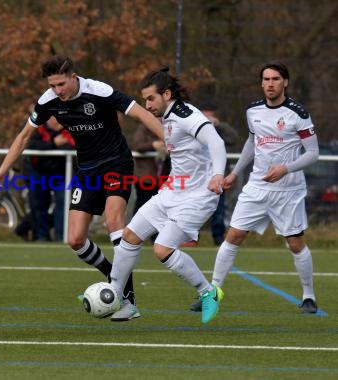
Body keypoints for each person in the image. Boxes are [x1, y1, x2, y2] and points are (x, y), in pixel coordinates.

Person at [0, 55, 164, 321]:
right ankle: (115, 280)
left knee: (114, 220)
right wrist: (1, 170)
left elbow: (141, 113)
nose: (58, 91)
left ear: (74, 77)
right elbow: (23, 137)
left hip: (117, 163)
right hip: (87, 169)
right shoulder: (48, 101)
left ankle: (125, 299)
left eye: (61, 84)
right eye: (53, 85)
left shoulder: (99, 91)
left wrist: (170, 142)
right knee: (75, 239)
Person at [108, 67, 227, 324]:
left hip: (198, 197)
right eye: (144, 100)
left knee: (162, 248)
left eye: (151, 98)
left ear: (167, 94)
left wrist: (218, 174)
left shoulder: (186, 115)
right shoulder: (167, 116)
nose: (147, 105)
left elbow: (216, 142)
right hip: (172, 191)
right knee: (129, 236)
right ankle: (116, 297)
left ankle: (208, 292)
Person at [209, 62, 320, 314]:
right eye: (266, 79)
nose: (270, 83)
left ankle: (309, 296)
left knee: (294, 242)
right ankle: (212, 293)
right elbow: (251, 141)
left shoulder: (297, 113)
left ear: (285, 82)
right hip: (256, 186)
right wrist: (236, 172)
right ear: (261, 83)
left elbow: (312, 153)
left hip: (288, 190)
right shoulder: (252, 110)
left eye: (276, 79)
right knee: (233, 235)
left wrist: (286, 168)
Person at [25, 115, 75, 241]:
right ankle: (42, 236)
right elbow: (31, 146)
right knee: (38, 205)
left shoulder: (70, 129)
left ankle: (61, 236)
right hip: (38, 172)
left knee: (63, 203)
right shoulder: (36, 128)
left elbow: (73, 146)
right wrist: (54, 143)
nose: (55, 120)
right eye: (52, 117)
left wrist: (52, 145)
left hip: (61, 173)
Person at [201, 104, 239, 246]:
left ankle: (218, 236)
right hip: (199, 175)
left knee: (219, 207)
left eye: (210, 116)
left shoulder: (219, 130)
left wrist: (218, 125)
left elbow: (233, 138)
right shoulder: (193, 129)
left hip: (218, 175)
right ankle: (191, 236)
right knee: (194, 205)